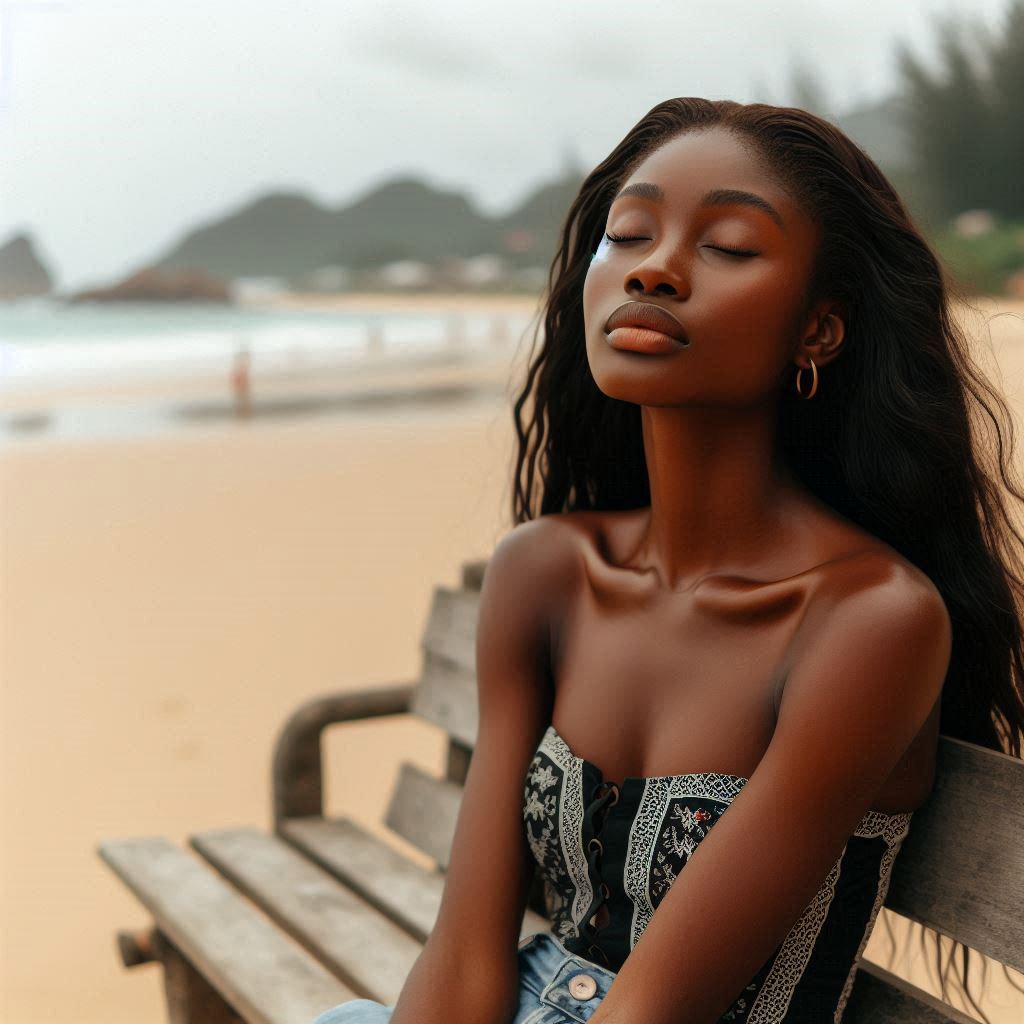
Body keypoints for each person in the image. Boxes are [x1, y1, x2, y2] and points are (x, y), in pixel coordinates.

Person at [310, 98, 1024, 1024]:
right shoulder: (543, 573)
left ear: (820, 330)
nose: (652, 269)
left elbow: (652, 1012)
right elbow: (464, 956)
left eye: (726, 245)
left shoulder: (869, 621)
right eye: (628, 234)